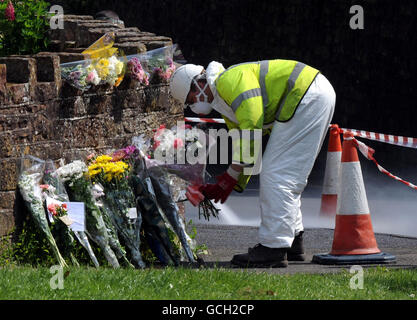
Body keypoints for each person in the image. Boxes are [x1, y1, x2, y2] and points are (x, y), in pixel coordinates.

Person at [169, 59, 336, 268]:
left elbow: (252, 121)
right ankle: (292, 241)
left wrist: (230, 177)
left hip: (306, 95)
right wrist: (232, 182)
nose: (193, 105)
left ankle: (274, 248)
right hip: (310, 94)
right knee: (285, 175)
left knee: (277, 174)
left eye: (190, 98)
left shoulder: (228, 81)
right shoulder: (225, 101)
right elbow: (244, 143)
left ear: (198, 84)